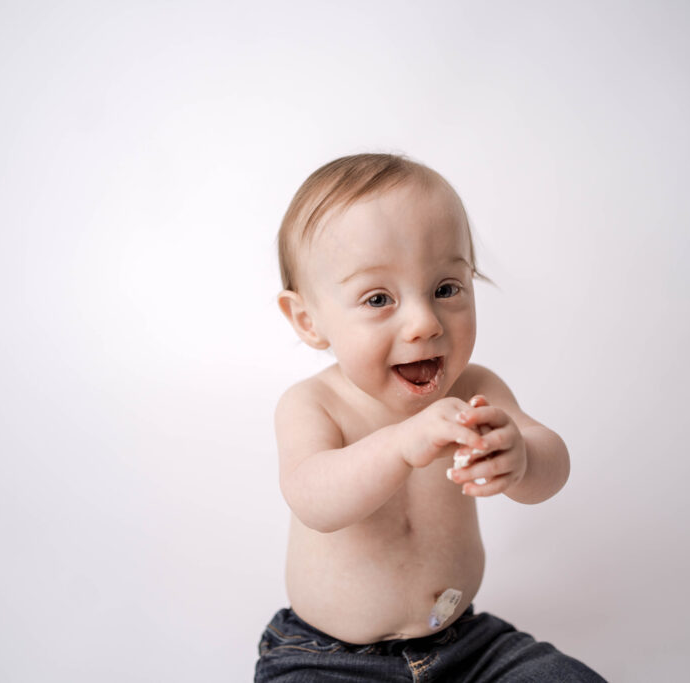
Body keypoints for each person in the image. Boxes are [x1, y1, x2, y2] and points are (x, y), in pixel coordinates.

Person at [255, 153, 605, 682]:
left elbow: (550, 470)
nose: (424, 322)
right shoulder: (313, 404)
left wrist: (523, 457)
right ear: (308, 320)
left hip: (465, 646)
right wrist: (400, 444)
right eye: (378, 298)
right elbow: (314, 500)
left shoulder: (477, 389)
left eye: (446, 289)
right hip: (327, 658)